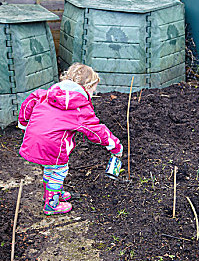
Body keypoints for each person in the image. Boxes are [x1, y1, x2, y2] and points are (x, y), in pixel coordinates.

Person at [18, 63, 123, 215]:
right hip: (53, 145)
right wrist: (115, 145)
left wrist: (23, 124)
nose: (93, 94)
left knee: (50, 168)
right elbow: (96, 130)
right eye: (93, 90)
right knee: (59, 171)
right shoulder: (79, 107)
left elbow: (30, 102)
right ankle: (51, 205)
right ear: (86, 87)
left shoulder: (47, 93)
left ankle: (54, 193)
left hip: (33, 139)